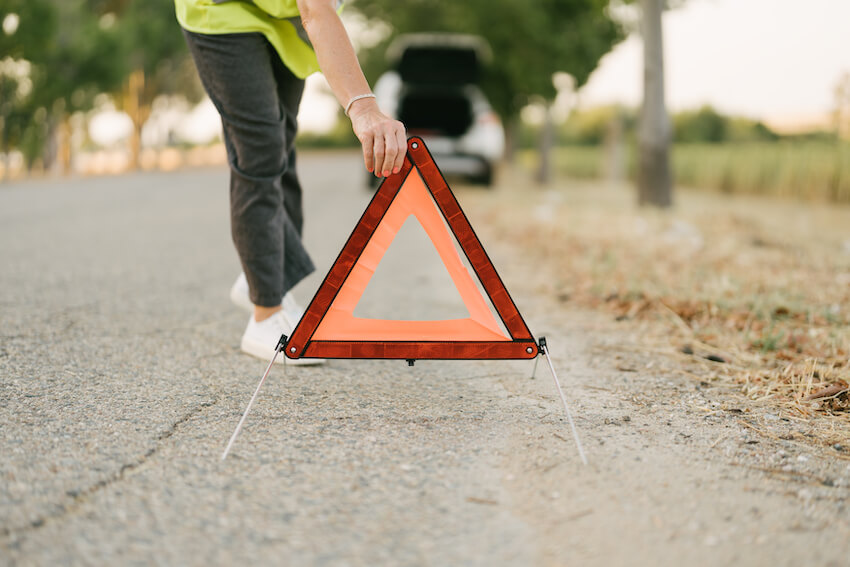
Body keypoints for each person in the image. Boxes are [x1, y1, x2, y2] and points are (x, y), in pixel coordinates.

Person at [174, 0, 406, 364]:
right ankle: (265, 313)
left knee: (281, 144)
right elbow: (316, 8)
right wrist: (363, 108)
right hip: (222, 14)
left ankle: (265, 276)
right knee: (261, 152)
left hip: (281, 21)